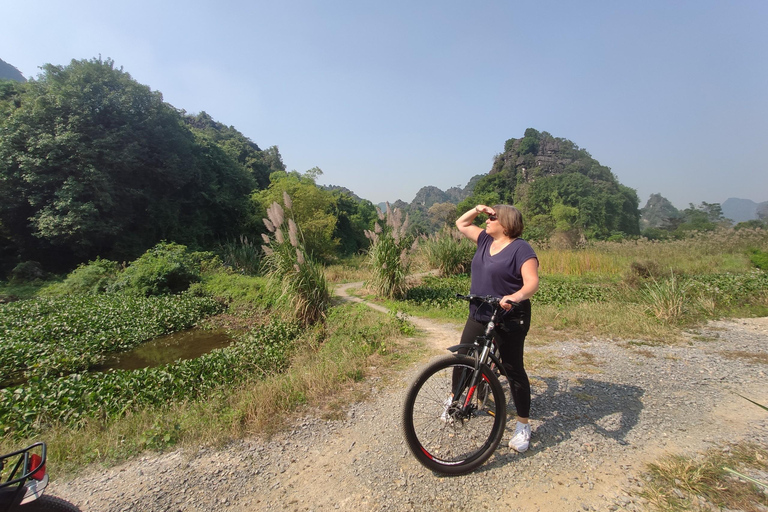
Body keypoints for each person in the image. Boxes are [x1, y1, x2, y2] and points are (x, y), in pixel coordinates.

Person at [454, 203, 539, 453]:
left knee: (513, 370)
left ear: (506, 223)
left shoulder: (521, 249)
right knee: (461, 358)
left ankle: (523, 425)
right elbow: (461, 223)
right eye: (488, 217)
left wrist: (517, 295)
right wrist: (478, 209)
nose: (488, 221)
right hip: (480, 311)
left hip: (509, 316)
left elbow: (532, 282)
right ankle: (455, 400)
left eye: (493, 217)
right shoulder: (483, 240)